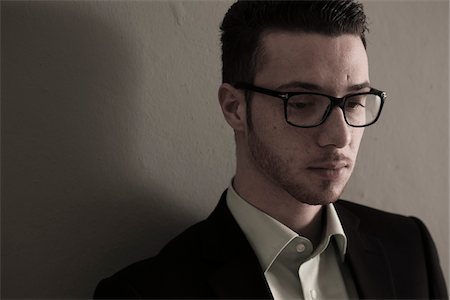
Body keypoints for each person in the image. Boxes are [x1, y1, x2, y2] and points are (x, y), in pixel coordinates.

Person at [94, 1, 448, 299]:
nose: (339, 137)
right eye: (302, 102)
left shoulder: (409, 248)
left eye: (355, 101)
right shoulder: (144, 293)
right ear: (235, 108)